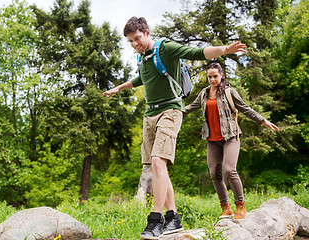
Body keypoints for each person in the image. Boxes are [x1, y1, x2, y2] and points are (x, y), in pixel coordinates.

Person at [102, 16, 247, 239]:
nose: (134, 44)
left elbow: (196, 53)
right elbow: (141, 78)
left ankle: (155, 220)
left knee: (159, 161)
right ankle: (173, 218)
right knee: (157, 166)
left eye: (137, 39)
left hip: (170, 111)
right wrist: (119, 88)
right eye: (130, 41)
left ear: (147, 32)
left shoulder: (166, 48)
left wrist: (225, 49)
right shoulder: (143, 57)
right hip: (149, 114)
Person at [185, 62, 280, 220]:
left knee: (229, 170)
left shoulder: (229, 92)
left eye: (215, 76)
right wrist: (173, 112)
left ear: (221, 75)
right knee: (214, 173)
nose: (213, 79)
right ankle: (226, 208)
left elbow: (245, 108)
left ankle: (240, 205)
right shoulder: (204, 94)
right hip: (212, 139)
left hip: (231, 137)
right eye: (210, 76)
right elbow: (190, 108)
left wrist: (263, 120)